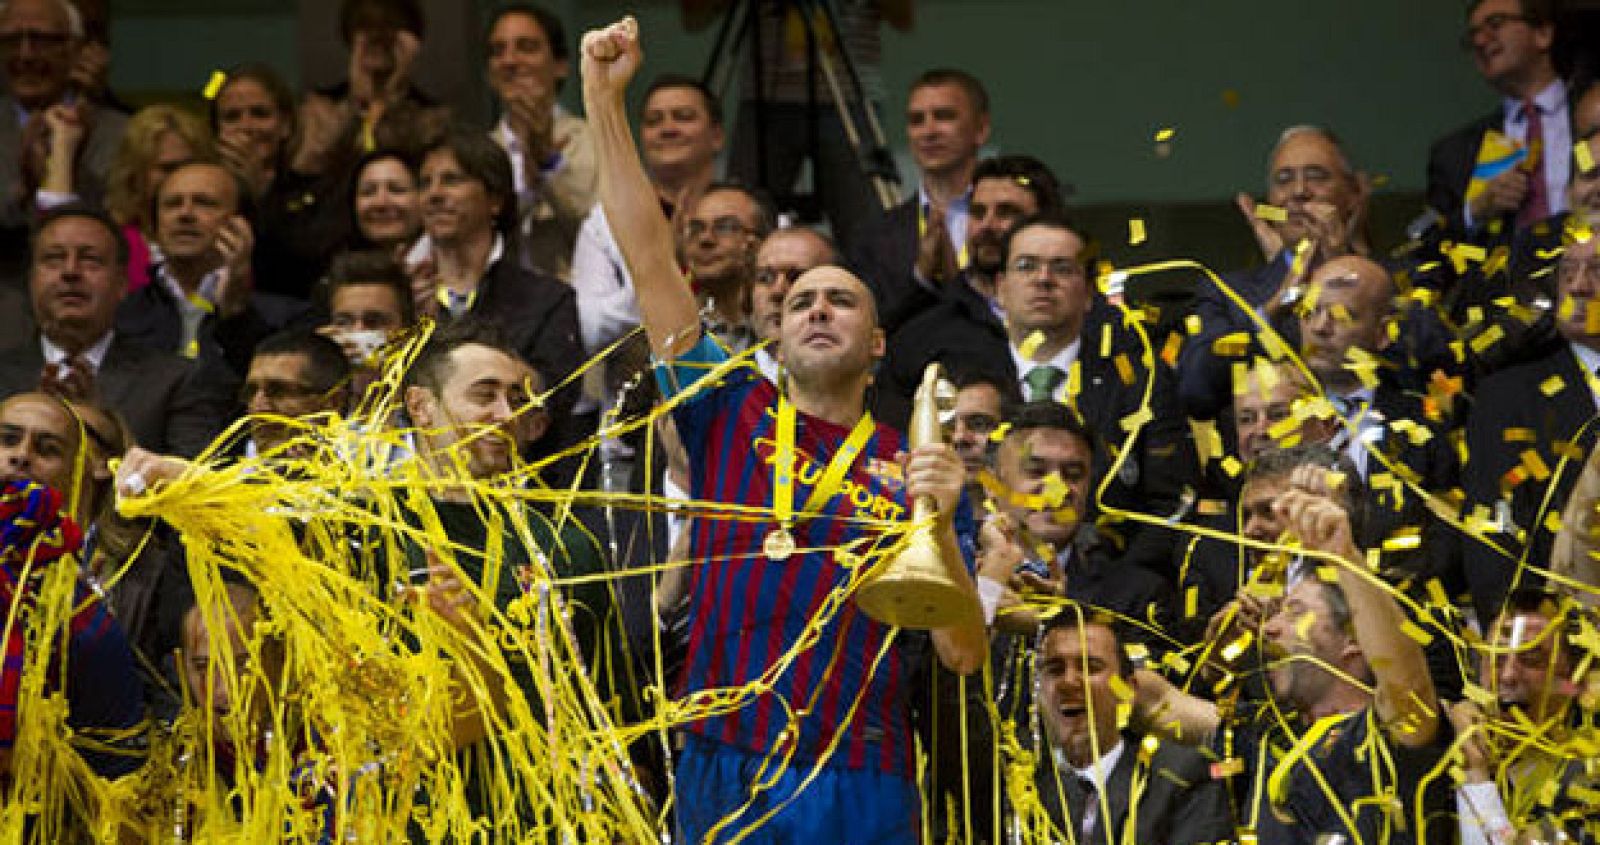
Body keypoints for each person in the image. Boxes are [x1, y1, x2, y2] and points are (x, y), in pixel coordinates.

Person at [583, 17, 986, 841]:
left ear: (877, 343)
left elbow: (963, 654)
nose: (816, 306)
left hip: (863, 770)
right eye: (800, 298)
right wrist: (602, 98)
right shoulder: (724, 411)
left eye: (840, 297)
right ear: (775, 332)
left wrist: (942, 527)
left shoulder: (915, 470)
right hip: (721, 758)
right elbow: (649, 253)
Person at [1134, 463, 1451, 845]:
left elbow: (1407, 681)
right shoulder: (1264, 735)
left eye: (1295, 612)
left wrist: (1344, 556)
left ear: (1353, 639)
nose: (1269, 628)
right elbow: (1153, 702)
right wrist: (1053, 620)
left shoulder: (1384, 733)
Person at [408, 128, 584, 465]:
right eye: (425, 183)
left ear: (495, 200)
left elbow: (553, 400)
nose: (434, 194)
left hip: (521, 484)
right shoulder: (394, 294)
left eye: (451, 180)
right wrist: (404, 330)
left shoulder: (545, 299)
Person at [1178, 125, 1370, 421]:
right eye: (1284, 180)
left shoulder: (1398, 281)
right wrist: (1269, 314)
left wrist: (1342, 271)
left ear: (1354, 194)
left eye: (1317, 176)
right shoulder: (1229, 293)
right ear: (1270, 200)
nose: (1299, 192)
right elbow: (1196, 390)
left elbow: (1426, 367)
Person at [0, 204, 224, 457]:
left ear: (122, 283)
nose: (70, 272)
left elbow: (191, 485)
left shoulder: (175, 380)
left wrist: (104, 428)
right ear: (31, 280)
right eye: (54, 258)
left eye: (90, 259)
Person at [1463, 231, 1600, 622]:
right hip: (1562, 638)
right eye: (1567, 272)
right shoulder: (1509, 396)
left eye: (1597, 271)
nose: (1578, 286)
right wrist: (1518, 638)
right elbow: (1493, 530)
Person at [875, 154, 1064, 426]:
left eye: (1006, 212)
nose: (987, 225)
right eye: (977, 212)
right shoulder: (922, 332)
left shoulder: (1094, 326)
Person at [1031, 606, 1234, 844]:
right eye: (1054, 670)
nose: (1068, 682)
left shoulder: (1181, 776)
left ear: (1127, 691)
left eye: (1090, 667)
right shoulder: (1016, 779)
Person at [570, 72, 724, 360]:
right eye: (654, 121)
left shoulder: (745, 213)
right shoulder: (604, 223)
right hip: (636, 393)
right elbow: (588, 329)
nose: (668, 128)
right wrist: (661, 268)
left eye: (683, 116)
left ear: (716, 135)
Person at [116, 159, 309, 381]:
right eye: (172, 204)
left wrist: (237, 316)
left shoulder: (288, 319)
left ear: (242, 224)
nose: (185, 214)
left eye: (204, 203)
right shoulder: (119, 316)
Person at [1450, 589, 1599, 844]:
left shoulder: (1586, 780)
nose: (1506, 676)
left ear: (1574, 681)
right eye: (1496, 657)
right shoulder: (1444, 743)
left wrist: (1477, 777)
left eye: (1531, 660)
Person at [849, 68, 991, 333]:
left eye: (944, 116)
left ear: (981, 129)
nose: (928, 131)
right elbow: (868, 331)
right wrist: (921, 279)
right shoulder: (874, 236)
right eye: (917, 120)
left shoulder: (1010, 220)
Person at [0, 0, 128, 279]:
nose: (25, 54)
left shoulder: (123, 134)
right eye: (11, 41)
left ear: (77, 49)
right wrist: (24, 191)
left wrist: (72, 165)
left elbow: (130, 240)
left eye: (42, 40)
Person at [1428, 0, 1570, 237]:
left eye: (1496, 23)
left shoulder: (1591, 112)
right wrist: (1475, 211)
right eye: (1473, 35)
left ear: (1542, 34)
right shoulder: (1453, 152)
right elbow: (1430, 244)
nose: (1480, 41)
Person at [485, 3, 595, 280]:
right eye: (498, 51)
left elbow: (603, 230)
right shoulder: (477, 152)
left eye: (526, 47)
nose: (510, 61)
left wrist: (549, 165)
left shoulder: (594, 139)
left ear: (560, 66)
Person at [103, 104, 215, 293]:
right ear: (135, 175)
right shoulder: (112, 245)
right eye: (168, 168)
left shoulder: (225, 242)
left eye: (189, 166)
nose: (181, 178)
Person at [348, 147, 421, 255]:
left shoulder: (447, 269)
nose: (381, 202)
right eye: (368, 192)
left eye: (396, 190)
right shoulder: (338, 270)